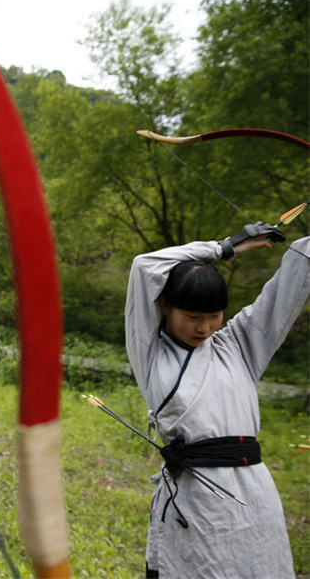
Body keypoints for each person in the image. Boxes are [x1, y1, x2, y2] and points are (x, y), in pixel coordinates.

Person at [125, 222, 309, 578]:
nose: (204, 328)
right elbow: (144, 267)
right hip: (196, 500)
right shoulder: (151, 354)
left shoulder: (238, 346)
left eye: (213, 317)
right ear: (164, 305)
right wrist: (225, 248)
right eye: (193, 317)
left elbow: (298, 270)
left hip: (255, 497)